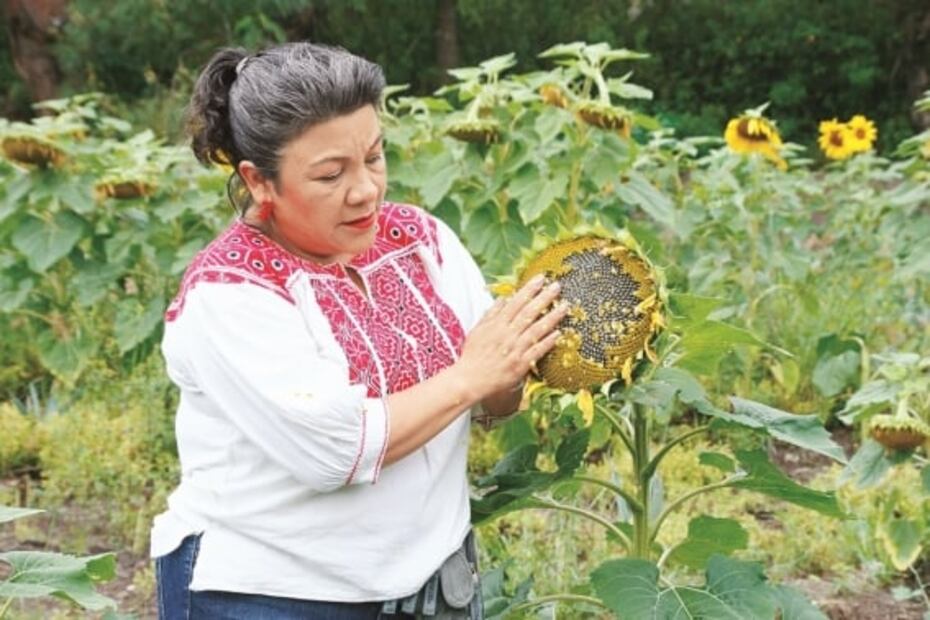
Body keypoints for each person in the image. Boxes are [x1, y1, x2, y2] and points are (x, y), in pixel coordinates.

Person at [150, 42, 568, 619]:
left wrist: (530, 351)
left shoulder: (420, 239)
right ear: (258, 181)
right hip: (272, 594)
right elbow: (336, 452)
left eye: (374, 157)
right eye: (330, 174)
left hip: (434, 583)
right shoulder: (228, 292)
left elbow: (494, 396)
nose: (366, 189)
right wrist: (472, 376)